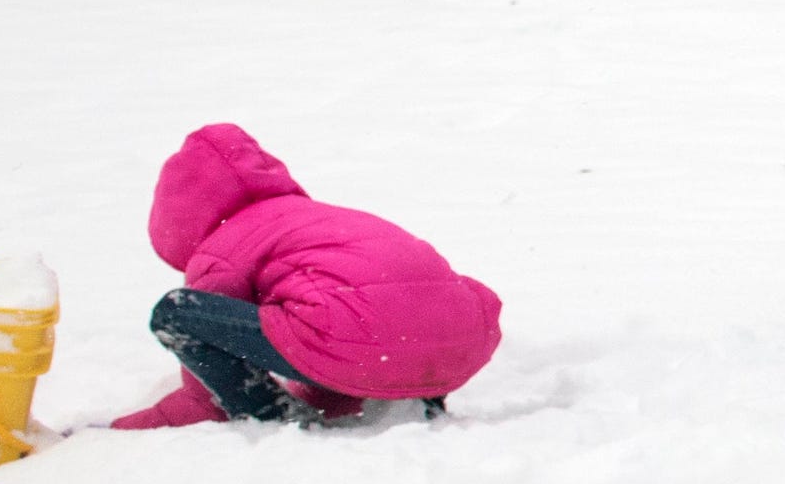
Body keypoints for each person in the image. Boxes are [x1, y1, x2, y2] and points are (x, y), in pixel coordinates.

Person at [110, 124, 500, 428]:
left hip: (369, 342)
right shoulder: (317, 218)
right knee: (373, 313)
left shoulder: (224, 242)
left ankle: (269, 414)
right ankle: (420, 396)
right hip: (461, 338)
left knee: (177, 313)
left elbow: (207, 374)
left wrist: (138, 425)